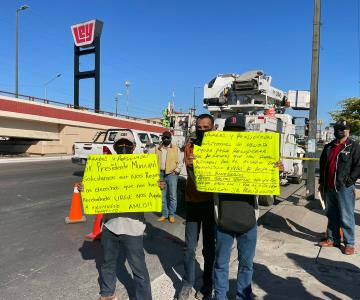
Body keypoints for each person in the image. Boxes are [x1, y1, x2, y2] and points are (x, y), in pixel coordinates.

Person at [78, 130, 165, 300]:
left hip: (133, 227)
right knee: (107, 264)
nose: (123, 147)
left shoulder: (143, 168)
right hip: (110, 225)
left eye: (127, 144)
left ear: (133, 147)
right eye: (120, 144)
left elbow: (150, 189)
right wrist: (85, 188)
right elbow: (96, 189)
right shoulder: (104, 168)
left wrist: (157, 186)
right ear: (115, 147)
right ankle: (107, 293)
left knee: (138, 268)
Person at [213, 115, 283, 300]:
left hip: (249, 222)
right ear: (224, 134)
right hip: (223, 221)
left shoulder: (256, 156)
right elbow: (201, 184)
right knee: (220, 264)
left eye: (239, 132)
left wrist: (275, 170)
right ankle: (220, 296)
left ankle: (243, 296)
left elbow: (268, 184)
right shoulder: (216, 157)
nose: (235, 136)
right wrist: (196, 166)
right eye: (231, 133)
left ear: (244, 134)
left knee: (246, 265)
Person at [178, 114, 216, 300]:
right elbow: (191, 177)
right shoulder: (189, 147)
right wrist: (190, 166)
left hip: (211, 204)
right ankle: (187, 283)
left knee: (209, 248)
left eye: (205, 128)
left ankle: (208, 284)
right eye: (199, 127)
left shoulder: (220, 148)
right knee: (189, 247)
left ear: (213, 128)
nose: (201, 131)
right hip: (193, 203)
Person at [318, 120, 360, 255]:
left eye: (342, 129)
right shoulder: (329, 146)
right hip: (329, 187)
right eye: (337, 128)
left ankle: (349, 243)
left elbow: (358, 166)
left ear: (348, 131)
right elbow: (323, 163)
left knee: (346, 216)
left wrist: (350, 180)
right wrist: (322, 182)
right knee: (332, 214)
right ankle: (332, 239)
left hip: (344, 188)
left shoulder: (353, 146)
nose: (339, 131)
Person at [155, 130, 182, 223]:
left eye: (168, 138)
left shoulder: (176, 148)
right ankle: (164, 214)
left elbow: (180, 161)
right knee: (162, 196)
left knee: (172, 195)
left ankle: (171, 215)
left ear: (170, 138)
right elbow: (153, 160)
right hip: (161, 174)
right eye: (164, 138)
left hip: (171, 174)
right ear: (162, 138)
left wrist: (176, 171)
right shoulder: (157, 148)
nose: (166, 139)